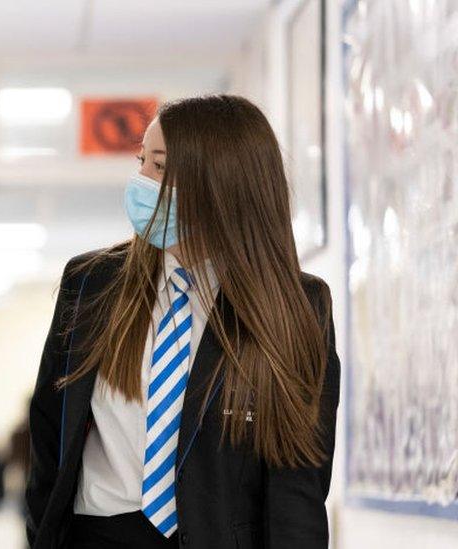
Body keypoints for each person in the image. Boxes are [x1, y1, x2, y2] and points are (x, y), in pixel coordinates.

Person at [26, 95, 339, 549]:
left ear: (220, 183)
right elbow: (49, 440)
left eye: (160, 167)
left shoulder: (297, 304)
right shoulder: (92, 281)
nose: (142, 182)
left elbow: (298, 486)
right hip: (98, 535)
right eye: (142, 163)